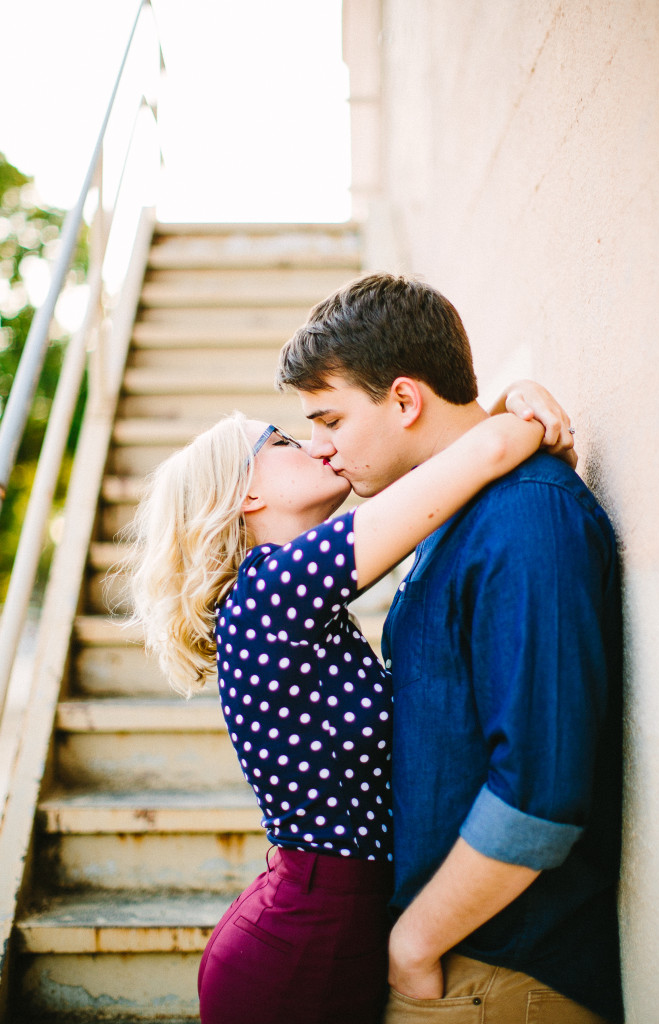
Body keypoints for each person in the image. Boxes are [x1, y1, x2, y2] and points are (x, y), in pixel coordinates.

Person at [124, 390, 561, 1024]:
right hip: (301, 952)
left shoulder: (284, 597)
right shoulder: (272, 591)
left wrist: (497, 412)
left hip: (320, 928)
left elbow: (446, 465)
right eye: (282, 441)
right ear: (248, 497)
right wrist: (524, 415)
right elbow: (486, 450)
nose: (318, 444)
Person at [276, 273, 623, 1024]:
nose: (321, 449)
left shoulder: (526, 516)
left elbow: (539, 793)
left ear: (404, 399)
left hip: (500, 974)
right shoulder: (455, 515)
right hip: (461, 966)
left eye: (329, 418)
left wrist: (413, 945)